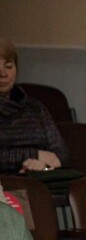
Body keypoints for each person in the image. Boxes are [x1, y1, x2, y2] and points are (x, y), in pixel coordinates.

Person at [0, 38, 69, 174]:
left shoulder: (35, 107)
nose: (3, 74)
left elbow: (61, 150)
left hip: (38, 177)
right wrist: (34, 155)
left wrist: (41, 163)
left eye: (9, 66)